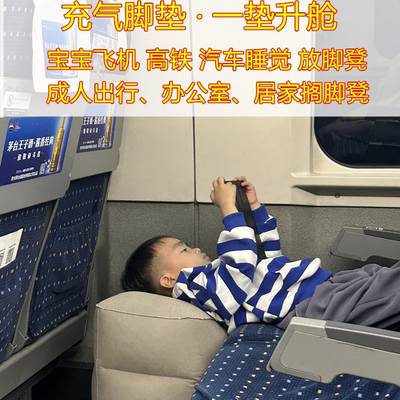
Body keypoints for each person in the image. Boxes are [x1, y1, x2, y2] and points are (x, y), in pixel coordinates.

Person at [122, 176, 400, 333]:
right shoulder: (196, 287)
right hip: (315, 305)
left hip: (329, 288)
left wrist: (254, 207)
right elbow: (241, 263)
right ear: (168, 279)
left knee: (381, 277)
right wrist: (228, 210)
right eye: (183, 249)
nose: (194, 248)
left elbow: (268, 258)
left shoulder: (220, 273)